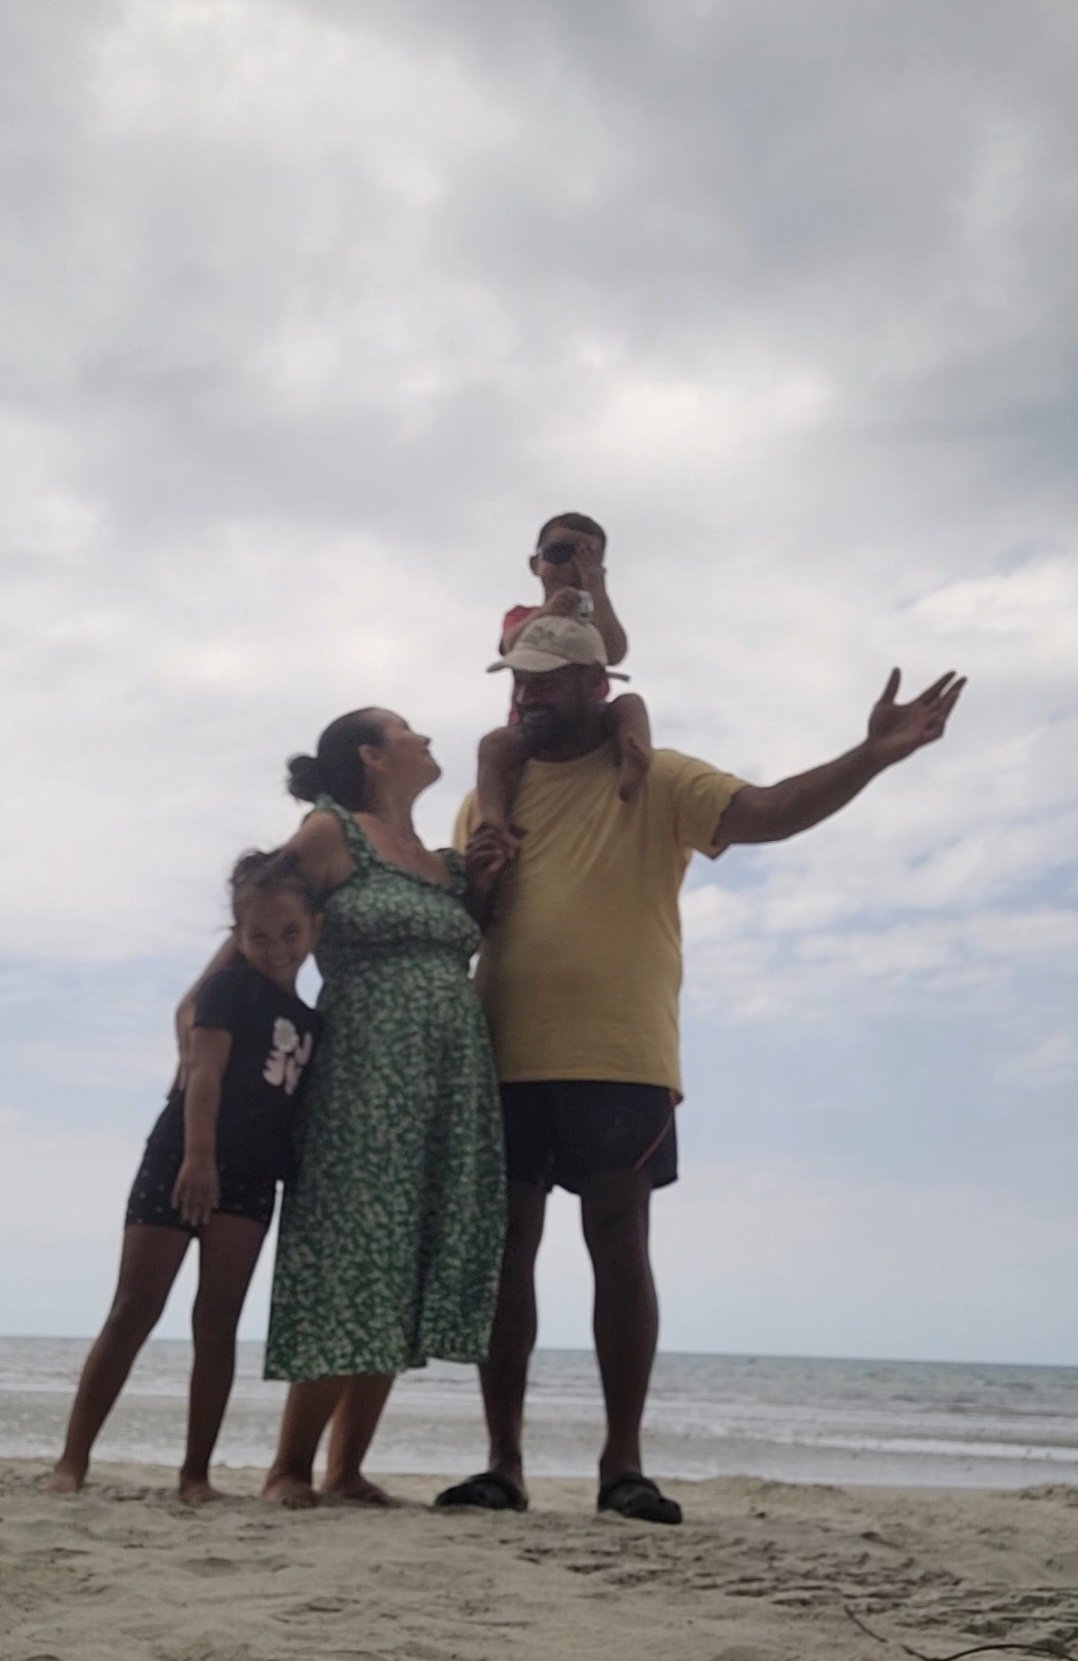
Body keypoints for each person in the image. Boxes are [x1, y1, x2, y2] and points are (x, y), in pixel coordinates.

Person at [434, 633, 965, 1524]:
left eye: (546, 680)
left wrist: (873, 754)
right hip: (505, 1052)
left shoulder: (662, 777)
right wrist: (479, 886)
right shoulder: (487, 794)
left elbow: (773, 809)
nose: (526, 695)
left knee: (621, 1247)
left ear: (596, 684)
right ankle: (503, 1465)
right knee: (506, 1256)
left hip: (620, 1053)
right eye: (517, 680)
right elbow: (475, 920)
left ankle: (623, 1467)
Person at [178, 709, 506, 1508]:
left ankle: (346, 1467)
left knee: (406, 1253)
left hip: (448, 1076)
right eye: (404, 728)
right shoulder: (334, 831)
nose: (425, 736)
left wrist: (487, 880)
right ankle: (290, 1464)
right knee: (353, 1249)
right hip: (364, 1070)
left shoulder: (438, 861)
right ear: (371, 754)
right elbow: (263, 910)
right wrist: (204, 1008)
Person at [46, 851, 323, 1503]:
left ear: (313, 927)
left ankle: (195, 1473)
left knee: (217, 1322)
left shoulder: (313, 1021)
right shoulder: (227, 990)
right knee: (133, 1308)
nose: (276, 947)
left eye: (289, 932)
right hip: (182, 1161)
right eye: (258, 935)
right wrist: (198, 1157)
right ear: (237, 933)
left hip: (253, 1181)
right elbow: (203, 1072)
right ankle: (72, 1460)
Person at [476, 513, 652, 833]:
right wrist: (549, 611)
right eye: (559, 553)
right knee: (494, 747)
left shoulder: (594, 618)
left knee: (630, 704)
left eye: (585, 557)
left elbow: (614, 653)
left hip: (591, 717)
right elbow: (508, 647)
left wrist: (597, 590)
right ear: (535, 563)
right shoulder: (522, 615)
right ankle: (492, 823)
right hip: (532, 722)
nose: (570, 566)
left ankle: (634, 762)